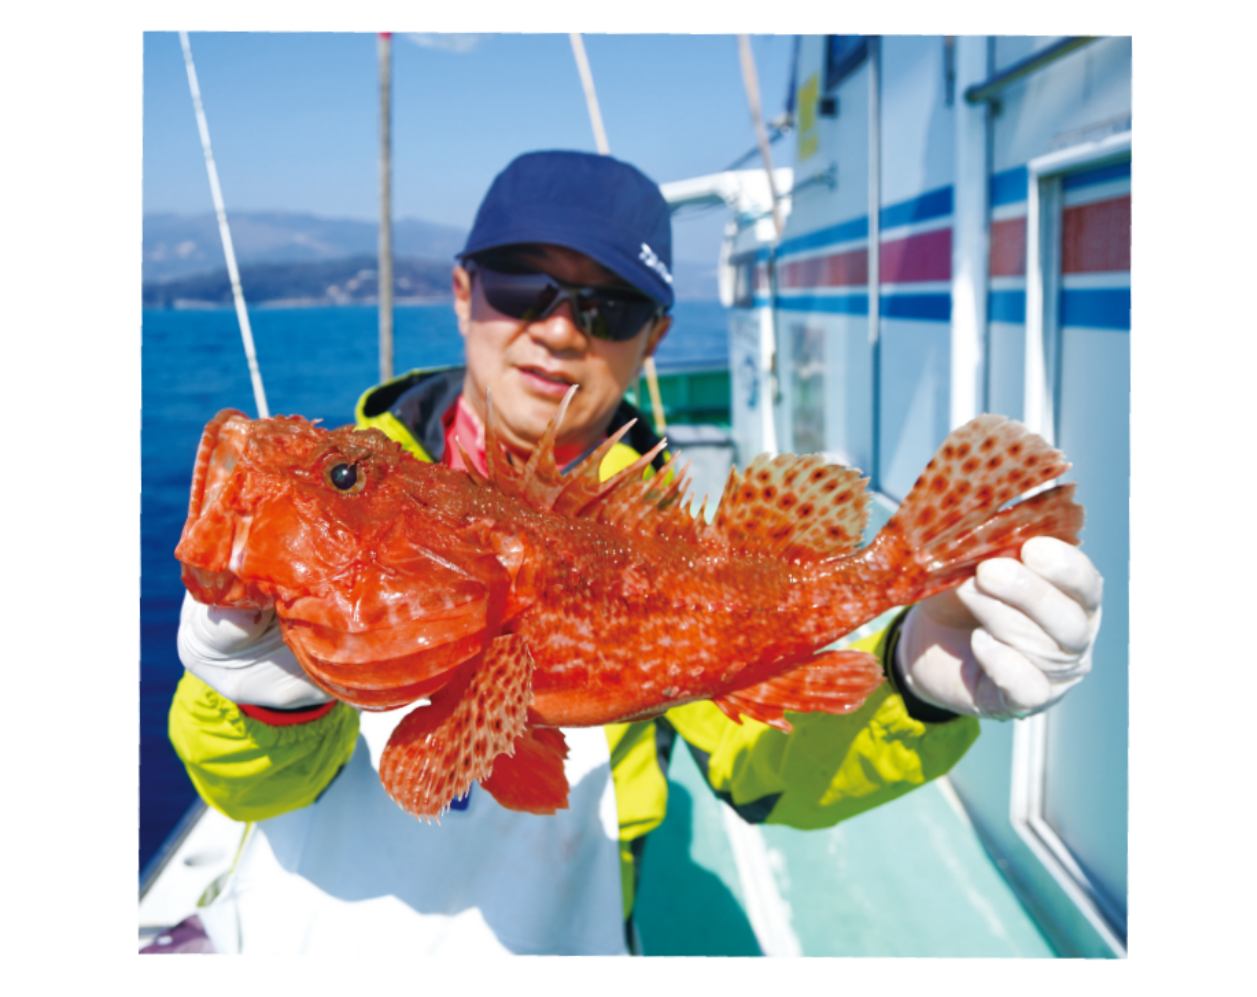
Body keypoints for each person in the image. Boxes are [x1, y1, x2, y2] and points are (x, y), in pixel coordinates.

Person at [165, 150, 1103, 955]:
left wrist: (907, 675)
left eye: (608, 307)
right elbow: (238, 780)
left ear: (654, 335)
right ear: (462, 291)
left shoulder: (666, 535)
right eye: (523, 285)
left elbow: (765, 764)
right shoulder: (377, 502)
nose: (562, 328)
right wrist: (269, 694)